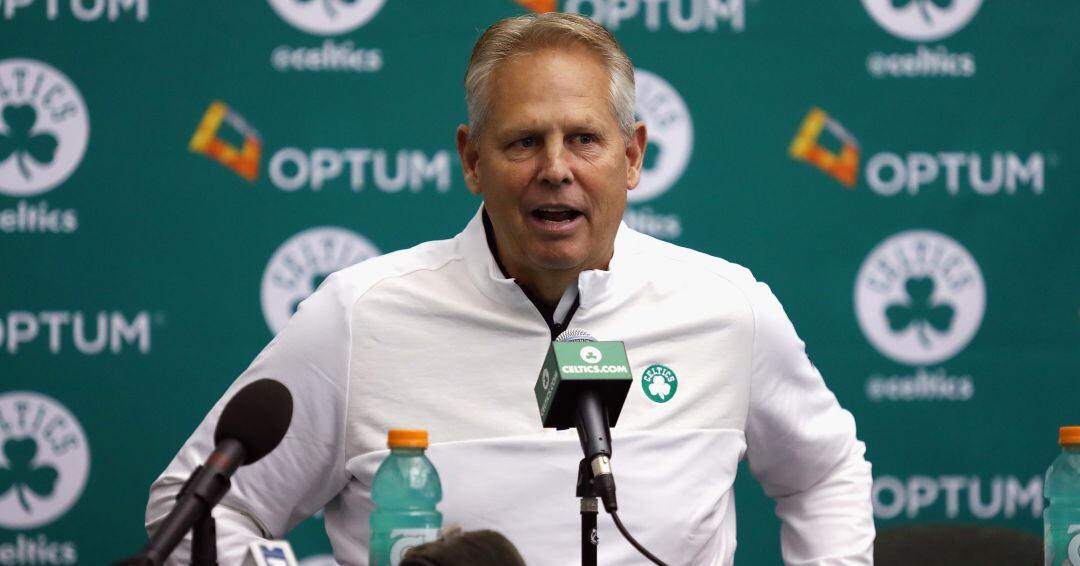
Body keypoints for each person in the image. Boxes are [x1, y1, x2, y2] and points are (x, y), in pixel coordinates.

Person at [146, 12, 874, 565]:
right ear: (472, 160)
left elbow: (826, 472)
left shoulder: (728, 309)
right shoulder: (360, 314)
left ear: (632, 157)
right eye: (524, 141)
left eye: (584, 139)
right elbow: (192, 516)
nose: (556, 169)